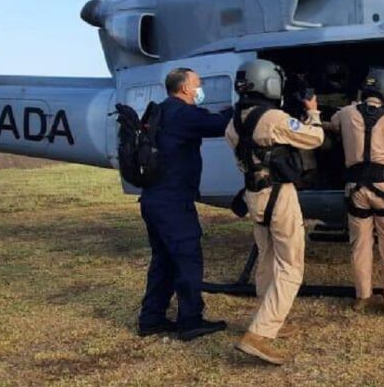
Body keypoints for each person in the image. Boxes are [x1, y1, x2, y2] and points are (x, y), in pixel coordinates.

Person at [226, 59, 325, 365]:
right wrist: (313, 112)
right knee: (291, 266)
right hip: (279, 194)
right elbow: (315, 138)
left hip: (254, 195)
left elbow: (242, 160)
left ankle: (267, 318)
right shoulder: (274, 119)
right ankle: (260, 334)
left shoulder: (234, 122)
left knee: (266, 257)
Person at [138, 67, 233, 341]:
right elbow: (217, 125)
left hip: (153, 199)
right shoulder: (183, 114)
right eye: (197, 84)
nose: (200, 89)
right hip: (173, 202)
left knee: (163, 260)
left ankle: (151, 318)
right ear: (185, 88)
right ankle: (191, 321)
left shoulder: (160, 111)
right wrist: (235, 109)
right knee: (187, 259)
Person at [330, 68, 384, 314]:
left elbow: (331, 126)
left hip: (355, 190)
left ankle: (363, 297)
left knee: (360, 244)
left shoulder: (346, 113)